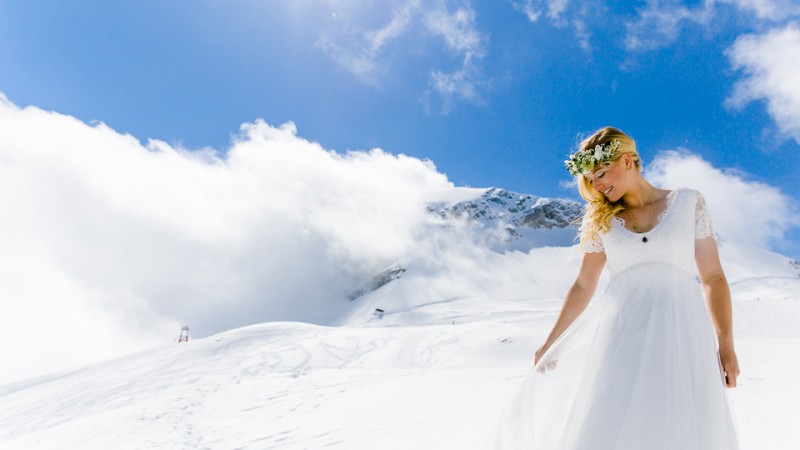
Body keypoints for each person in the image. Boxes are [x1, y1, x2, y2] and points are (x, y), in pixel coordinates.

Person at [483, 126, 741, 449]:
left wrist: (726, 343)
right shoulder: (601, 220)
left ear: (627, 161)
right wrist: (551, 340)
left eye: (601, 173)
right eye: (591, 181)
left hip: (682, 338)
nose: (598, 185)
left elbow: (713, 278)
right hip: (623, 341)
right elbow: (583, 284)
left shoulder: (689, 203)